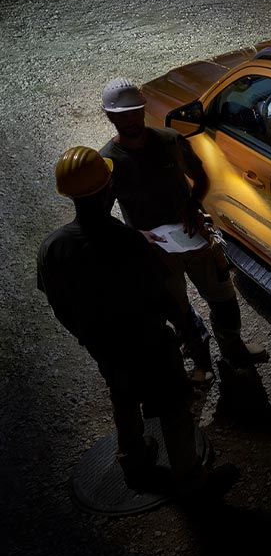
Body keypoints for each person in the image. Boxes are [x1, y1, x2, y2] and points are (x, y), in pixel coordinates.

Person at [37, 146, 238, 498]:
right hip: (148, 343)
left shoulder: (53, 247)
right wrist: (191, 336)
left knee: (123, 395)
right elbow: (165, 297)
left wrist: (88, 336)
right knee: (176, 404)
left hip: (104, 345)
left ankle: (132, 459)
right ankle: (191, 479)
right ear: (108, 189)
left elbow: (58, 303)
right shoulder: (127, 242)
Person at [99, 77, 266, 385]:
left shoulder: (170, 141)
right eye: (123, 114)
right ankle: (201, 362)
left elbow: (200, 177)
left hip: (193, 235)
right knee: (177, 310)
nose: (132, 119)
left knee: (224, 298)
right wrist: (136, 236)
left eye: (136, 111)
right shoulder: (108, 162)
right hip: (155, 249)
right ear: (109, 116)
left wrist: (192, 205)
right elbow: (99, 214)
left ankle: (234, 348)